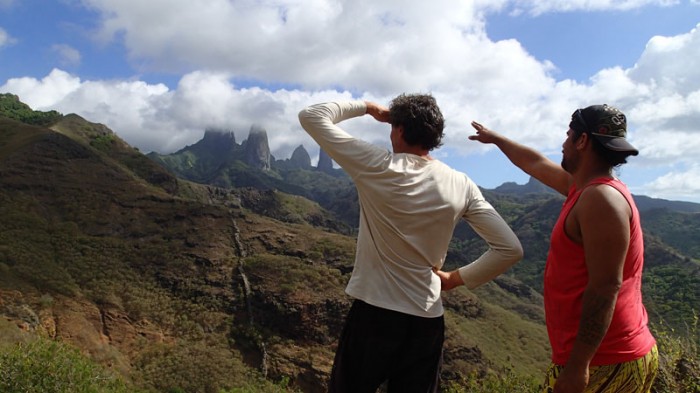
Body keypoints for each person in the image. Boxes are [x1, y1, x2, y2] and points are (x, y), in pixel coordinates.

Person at [298, 94, 523, 393]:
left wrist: (368, 108)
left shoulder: (377, 165)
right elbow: (510, 249)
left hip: (373, 316)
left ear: (400, 130)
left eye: (393, 126)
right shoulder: (461, 183)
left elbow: (311, 116)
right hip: (426, 322)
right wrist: (454, 279)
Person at [464, 104, 658, 393]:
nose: (563, 143)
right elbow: (535, 163)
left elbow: (605, 288)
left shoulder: (600, 199)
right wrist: (496, 139)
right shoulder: (585, 189)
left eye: (569, 136)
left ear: (582, 141)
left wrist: (578, 368)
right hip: (607, 357)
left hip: (604, 361)